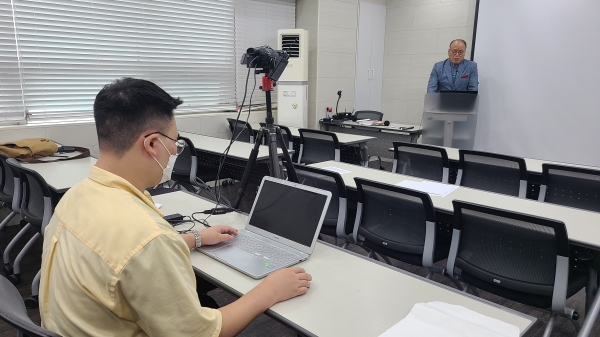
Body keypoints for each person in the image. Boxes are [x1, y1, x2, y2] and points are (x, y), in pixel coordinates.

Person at [39, 78, 312, 336]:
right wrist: (269, 291)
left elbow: (121, 258)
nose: (174, 152)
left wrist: (194, 238)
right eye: (174, 143)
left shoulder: (77, 196)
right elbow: (202, 334)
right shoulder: (147, 237)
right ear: (152, 144)